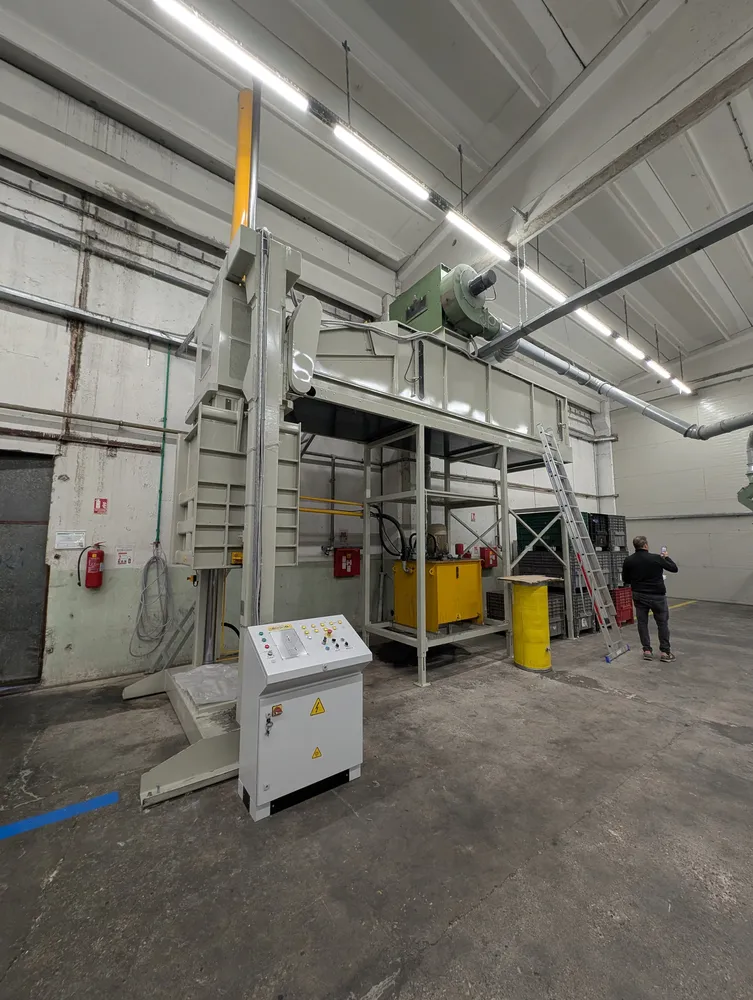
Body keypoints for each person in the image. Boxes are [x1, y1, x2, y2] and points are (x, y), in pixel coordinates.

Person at [621, 536, 679, 662]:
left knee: (642, 623)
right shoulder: (656, 558)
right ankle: (665, 652)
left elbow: (625, 579)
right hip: (657, 595)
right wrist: (666, 557)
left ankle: (647, 650)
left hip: (638, 595)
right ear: (646, 545)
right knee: (662, 623)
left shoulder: (629, 560)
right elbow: (674, 568)